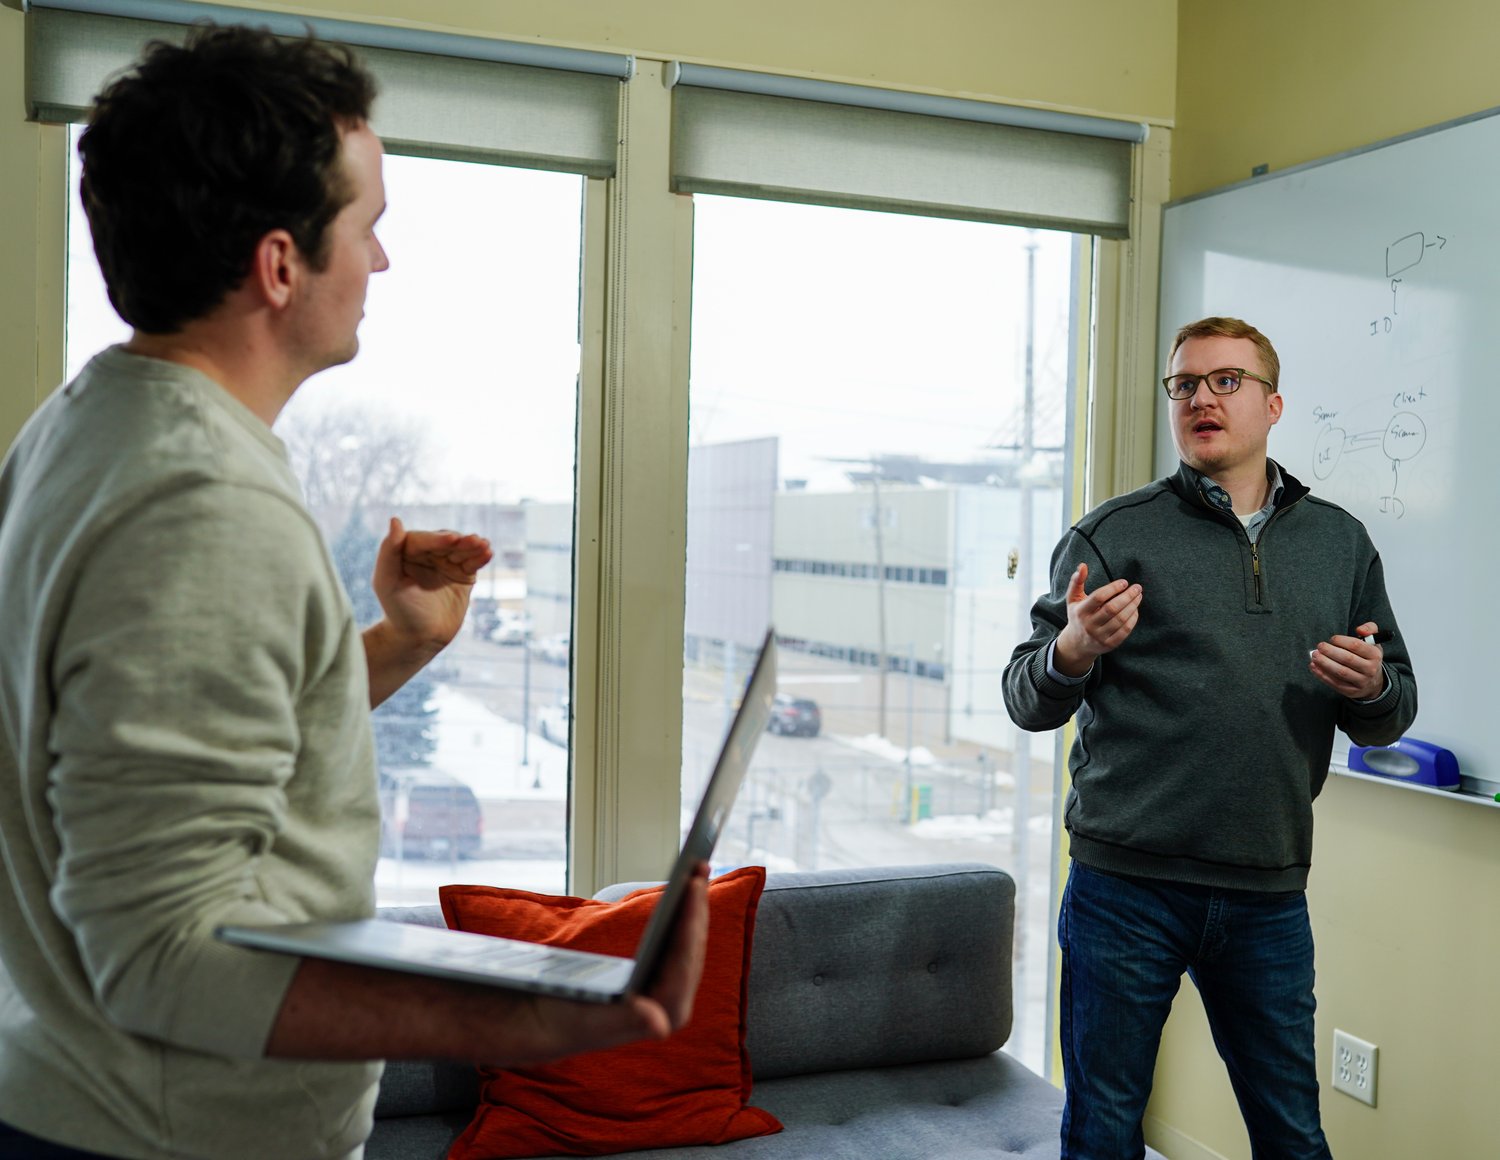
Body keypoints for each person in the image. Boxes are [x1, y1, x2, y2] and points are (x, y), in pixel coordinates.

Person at [0, 24, 708, 1160]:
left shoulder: (85, 429)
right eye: (367, 226)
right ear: (281, 265)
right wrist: (535, 1014)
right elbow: (161, 957)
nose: (382, 262)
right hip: (157, 1134)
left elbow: (154, 746)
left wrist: (396, 643)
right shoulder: (201, 503)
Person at [1003, 316, 1417, 1159]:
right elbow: (1026, 697)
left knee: (1293, 1136)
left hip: (1267, 893)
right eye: (1184, 384)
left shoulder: (1340, 544)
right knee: (1103, 1133)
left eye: (1226, 381)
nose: (1201, 397)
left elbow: (1391, 709)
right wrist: (1075, 648)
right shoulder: (1112, 535)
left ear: (1271, 405)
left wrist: (1371, 687)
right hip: (1125, 889)